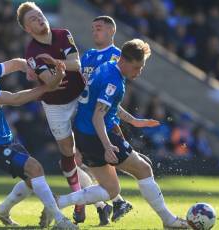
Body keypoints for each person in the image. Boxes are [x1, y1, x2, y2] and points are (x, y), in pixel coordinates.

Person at [43, 39, 189, 229]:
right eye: (137, 67)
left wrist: (134, 121)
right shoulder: (114, 80)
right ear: (125, 61)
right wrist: (107, 146)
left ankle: (57, 203)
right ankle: (169, 221)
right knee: (144, 169)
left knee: (111, 189)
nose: (139, 72)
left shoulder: (108, 67)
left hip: (84, 134)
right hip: (96, 134)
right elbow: (98, 116)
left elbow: (108, 106)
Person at [0, 44, 77, 229]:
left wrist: (32, 69)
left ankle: (2, 210)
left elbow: (15, 63)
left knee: (31, 180)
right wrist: (47, 87)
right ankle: (60, 220)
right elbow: (15, 99)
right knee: (35, 169)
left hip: (6, 140)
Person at [79, 15, 159, 225]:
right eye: (93, 28)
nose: (95, 31)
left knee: (95, 166)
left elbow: (110, 102)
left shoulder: (118, 57)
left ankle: (107, 203)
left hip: (104, 123)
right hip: (85, 120)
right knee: (80, 166)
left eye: (100, 28)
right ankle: (108, 204)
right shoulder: (87, 56)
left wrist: (127, 123)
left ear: (111, 32)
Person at [17, 1, 89, 224]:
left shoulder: (62, 34)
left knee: (90, 143)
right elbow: (50, 84)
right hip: (55, 105)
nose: (39, 19)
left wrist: (56, 64)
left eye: (39, 15)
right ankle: (80, 199)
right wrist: (57, 73)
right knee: (67, 153)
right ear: (27, 29)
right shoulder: (32, 52)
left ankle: (96, 199)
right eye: (33, 19)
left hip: (80, 95)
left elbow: (76, 63)